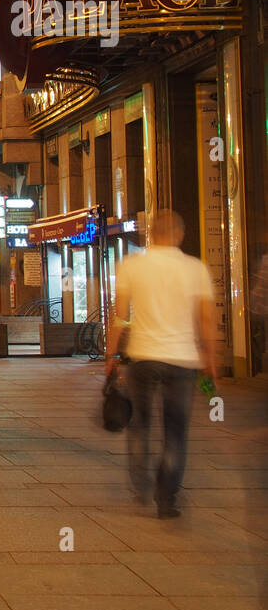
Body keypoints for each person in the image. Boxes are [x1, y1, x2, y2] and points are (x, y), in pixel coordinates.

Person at [104, 209, 216, 520]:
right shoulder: (196, 269)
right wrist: (211, 359)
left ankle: (141, 484)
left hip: (143, 356)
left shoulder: (132, 266)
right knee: (176, 430)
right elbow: (205, 319)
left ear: (151, 234)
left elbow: (122, 316)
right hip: (182, 360)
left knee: (141, 422)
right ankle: (166, 498)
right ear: (180, 235)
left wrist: (111, 354)